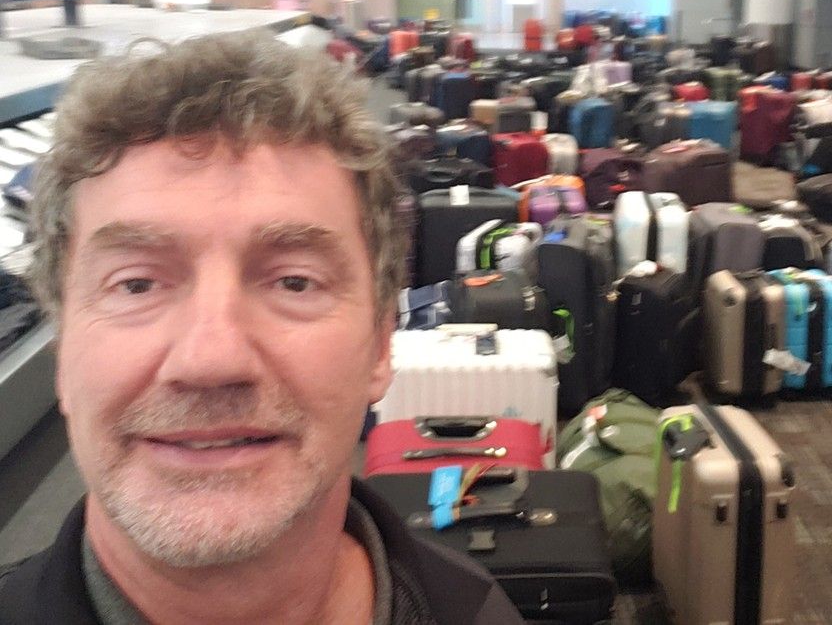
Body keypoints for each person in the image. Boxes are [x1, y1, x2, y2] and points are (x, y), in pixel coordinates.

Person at [0, 31, 523, 624]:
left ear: (381, 344)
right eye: (137, 284)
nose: (211, 359)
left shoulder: (479, 612)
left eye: (293, 282)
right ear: (65, 348)